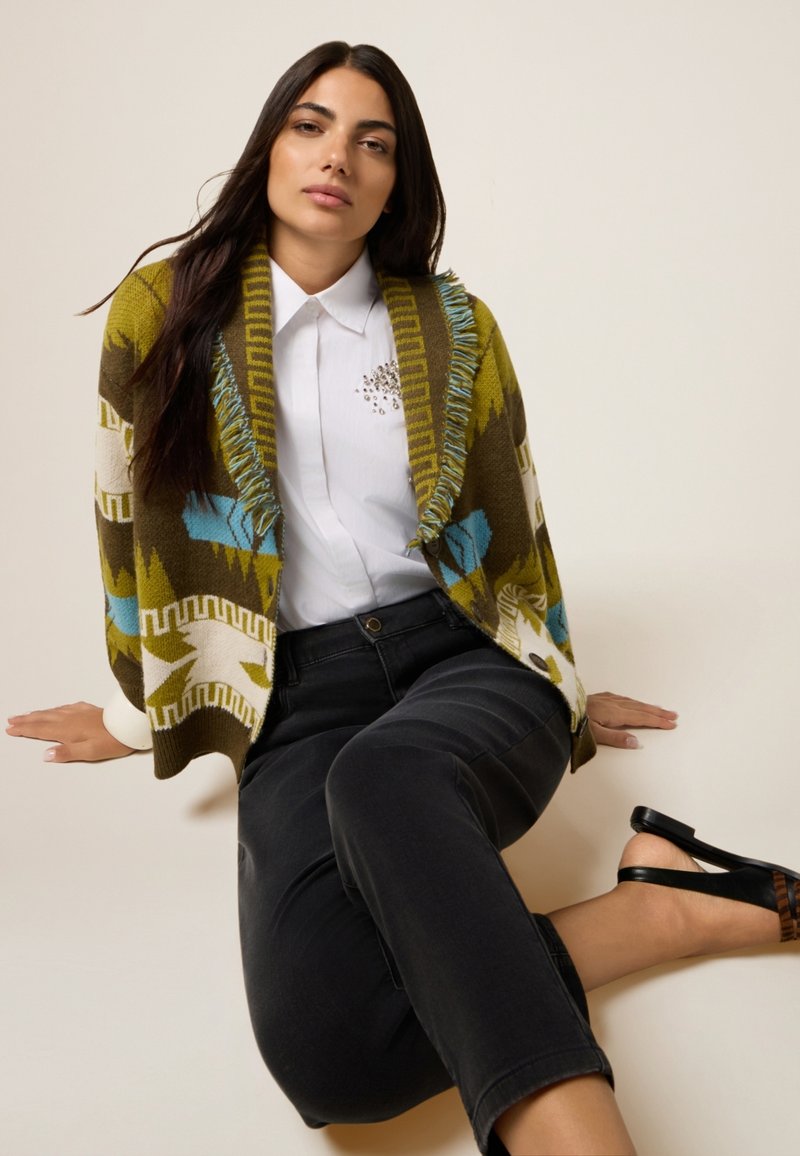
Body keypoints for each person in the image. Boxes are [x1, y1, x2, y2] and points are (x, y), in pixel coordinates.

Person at [6, 41, 797, 1156]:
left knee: (383, 777)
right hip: (295, 696)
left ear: (396, 181)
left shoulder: (456, 328)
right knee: (333, 1057)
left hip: (465, 658)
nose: (338, 157)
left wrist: (557, 677)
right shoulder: (163, 313)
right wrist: (143, 710)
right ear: (270, 146)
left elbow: (516, 521)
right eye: (312, 126)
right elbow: (123, 517)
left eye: (372, 143)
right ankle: (658, 907)